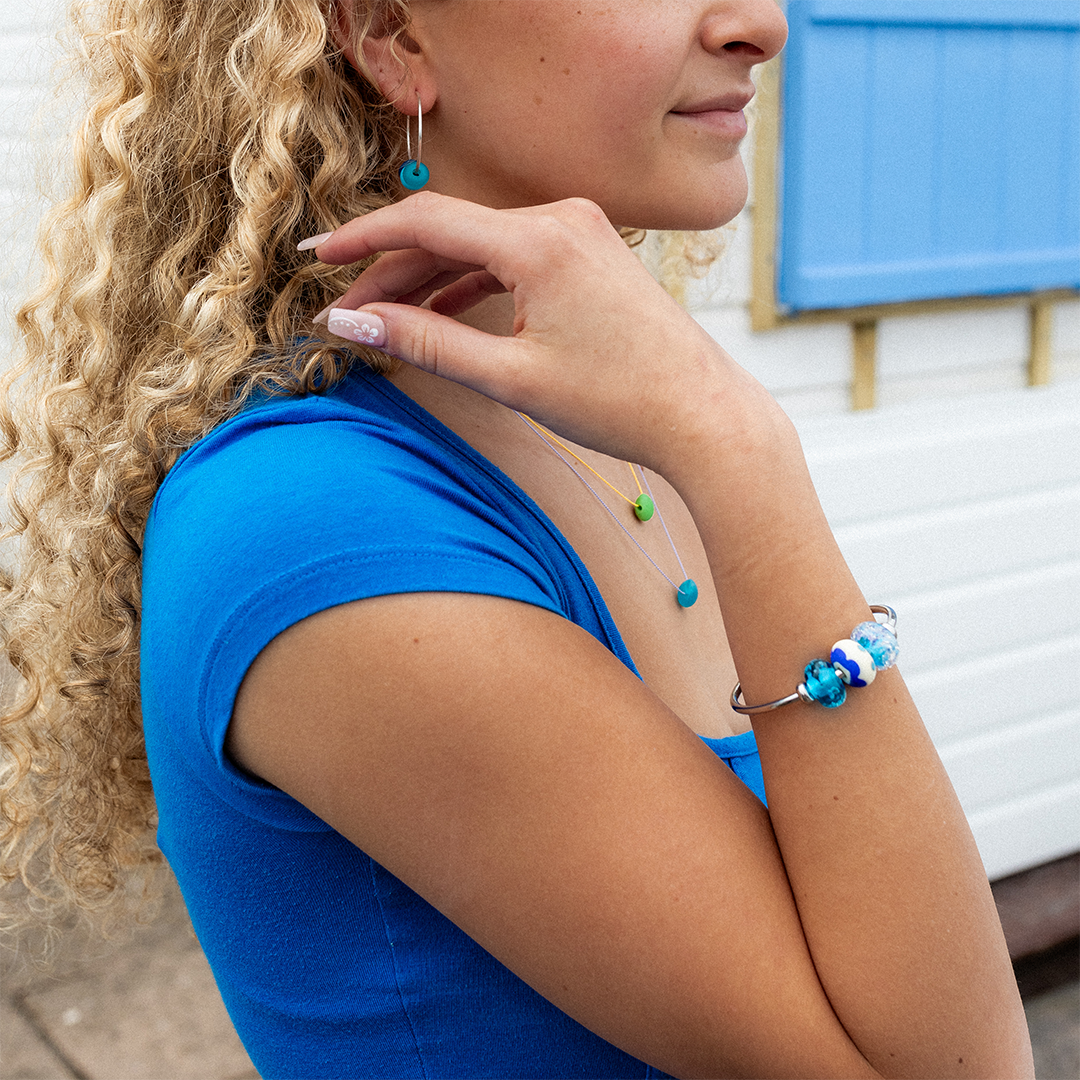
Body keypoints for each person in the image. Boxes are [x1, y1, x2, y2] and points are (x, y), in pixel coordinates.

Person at [0, 0, 1035, 1077]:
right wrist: (742, 451)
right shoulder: (317, 521)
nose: (761, 24)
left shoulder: (606, 419)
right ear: (394, 34)